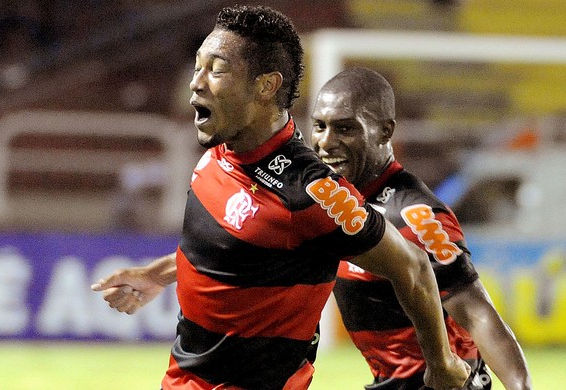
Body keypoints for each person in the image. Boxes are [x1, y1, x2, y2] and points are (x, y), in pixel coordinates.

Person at [91, 5, 470, 390]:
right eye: (197, 67)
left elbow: (413, 267)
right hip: (184, 378)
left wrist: (440, 364)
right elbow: (239, 249)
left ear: (266, 86)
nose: (196, 82)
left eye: (216, 70)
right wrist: (156, 275)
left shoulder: (309, 193)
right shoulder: (221, 153)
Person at [310, 66, 532, 390]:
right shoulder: (335, 200)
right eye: (320, 126)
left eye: (344, 128)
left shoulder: (413, 215)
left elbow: (476, 312)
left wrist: (521, 387)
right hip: (391, 381)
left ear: (385, 132)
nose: (326, 142)